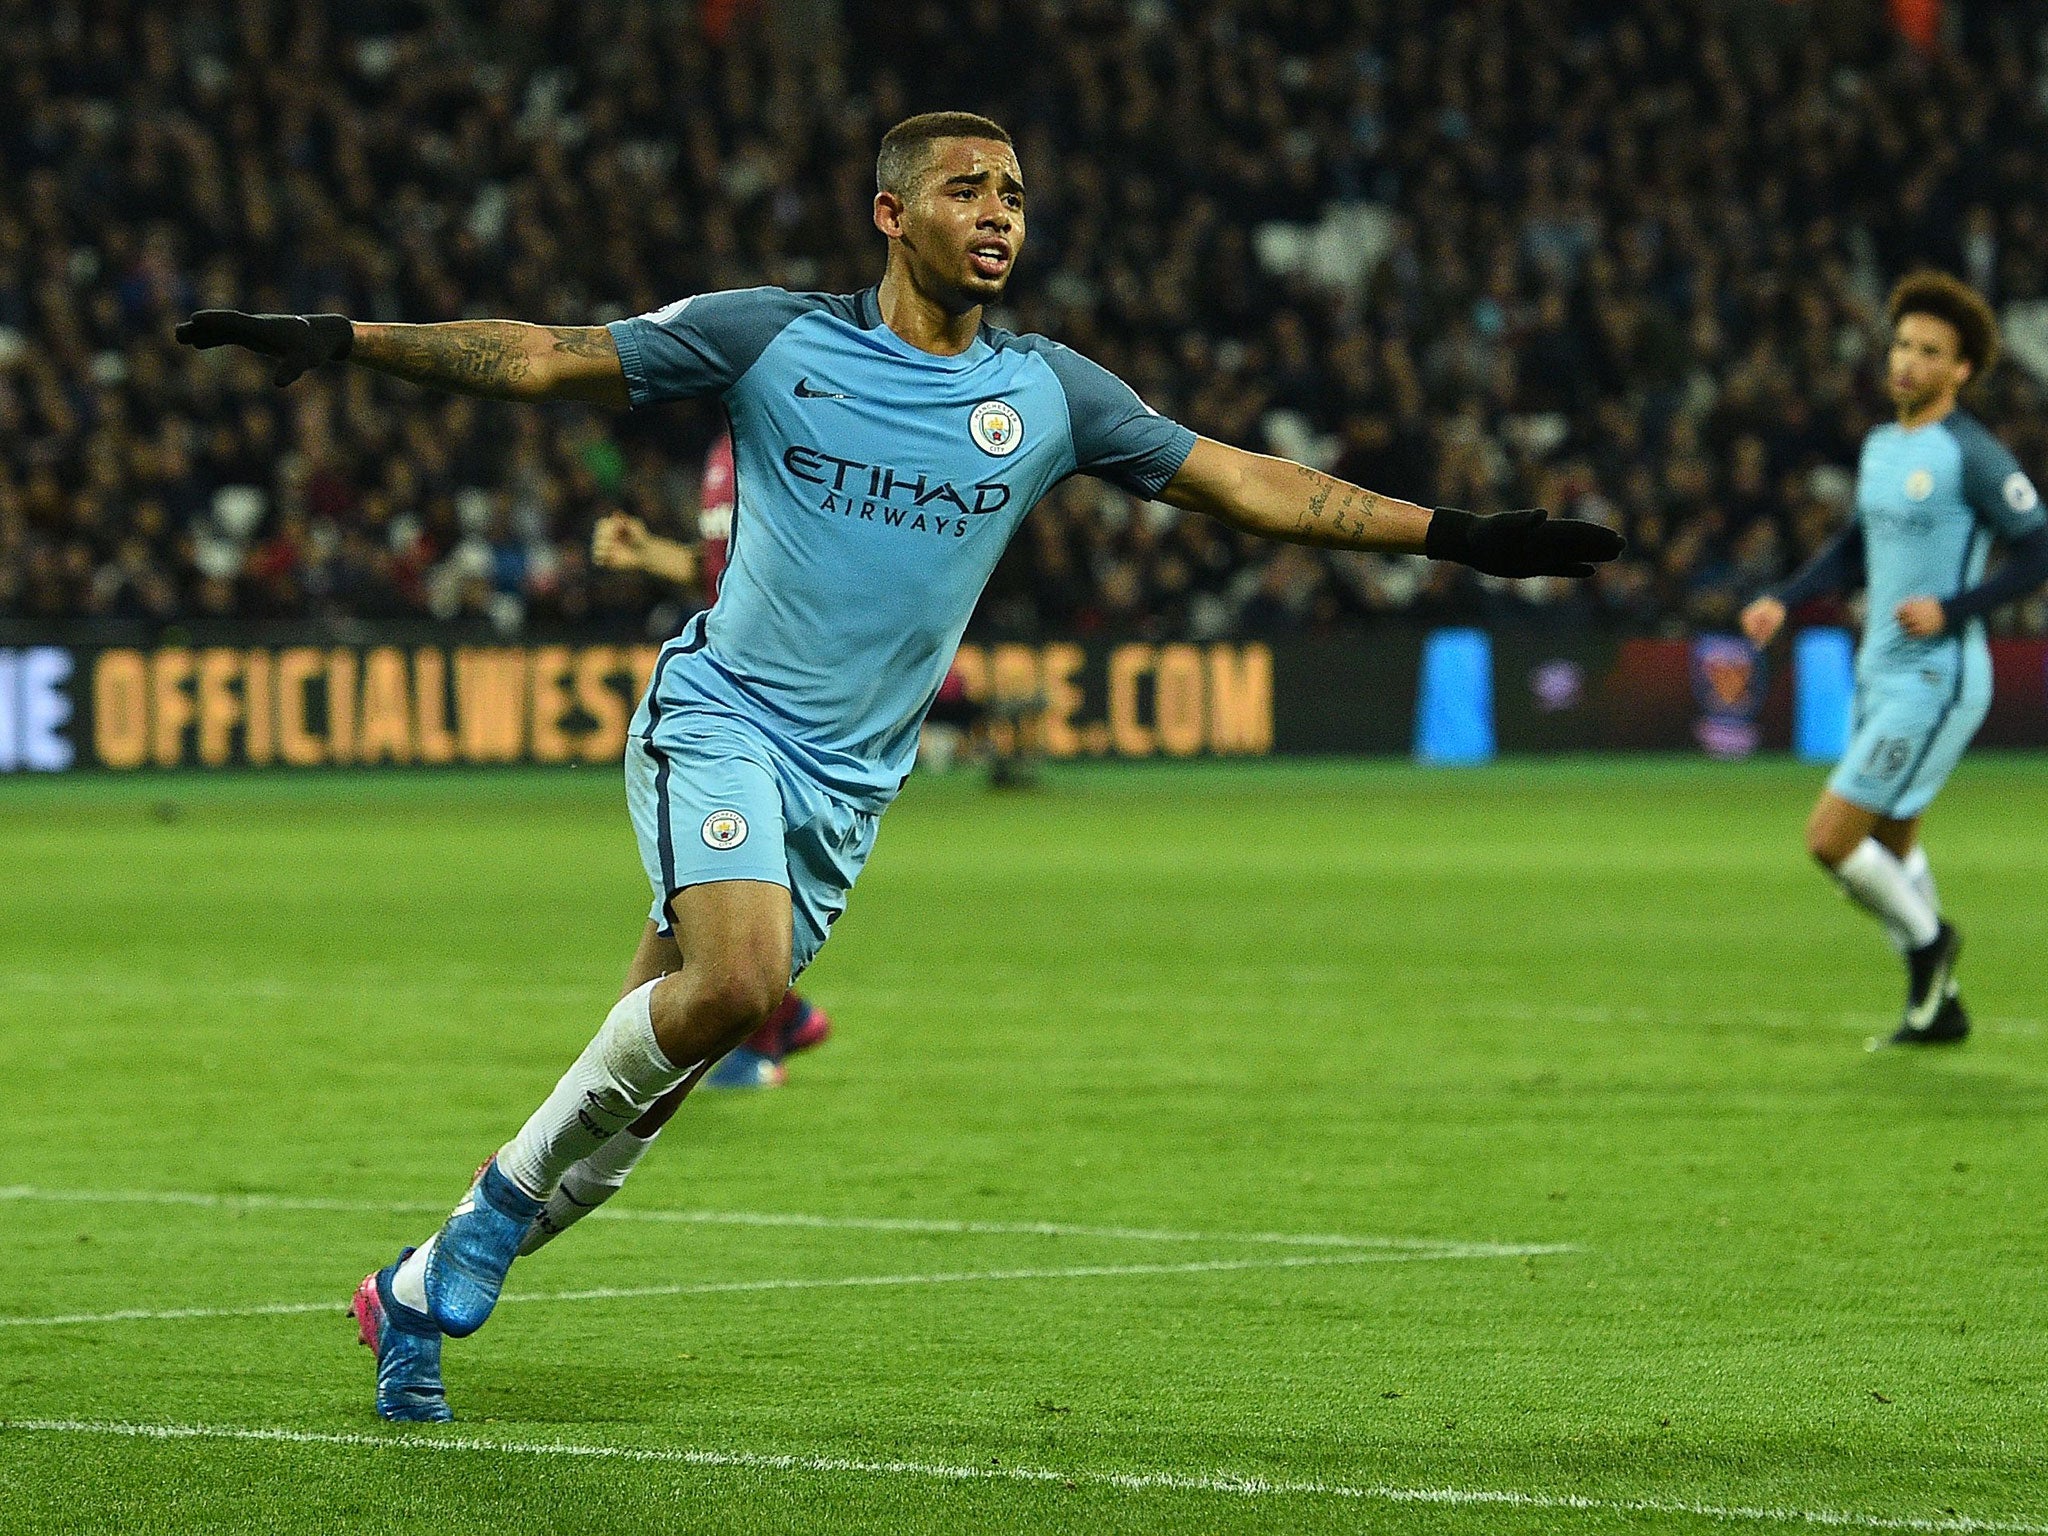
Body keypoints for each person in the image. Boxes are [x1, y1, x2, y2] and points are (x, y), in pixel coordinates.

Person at [176, 110, 1621, 1423]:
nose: (1001, 215)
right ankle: (484, 1237)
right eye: (968, 189)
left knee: (648, 1075)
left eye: (1016, 195)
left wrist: (1461, 537)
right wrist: (350, 339)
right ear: (891, 213)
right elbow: (550, 353)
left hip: (850, 794)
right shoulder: (770, 337)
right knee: (738, 988)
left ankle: (414, 1293)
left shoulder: (1050, 395)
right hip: (724, 715)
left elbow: (1250, 484)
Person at [1742, 271, 2048, 1048]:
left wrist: (1956, 608)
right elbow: (1856, 548)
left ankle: (1931, 944)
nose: (1906, 362)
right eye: (1902, 345)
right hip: (1878, 670)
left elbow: (2038, 548)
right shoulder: (1884, 446)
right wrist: (1789, 595)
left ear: (1962, 370)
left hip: (1937, 677)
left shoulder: (1971, 455)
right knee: (1894, 846)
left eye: (1928, 351)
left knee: (1833, 839)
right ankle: (1939, 1010)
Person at [591, 437, 832, 1092]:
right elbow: (719, 569)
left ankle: (762, 1030)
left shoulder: (801, 432)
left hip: (789, 695)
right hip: (738, 684)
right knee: (713, 867)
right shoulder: (725, 449)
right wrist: (647, 553)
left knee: (731, 866)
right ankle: (778, 1017)